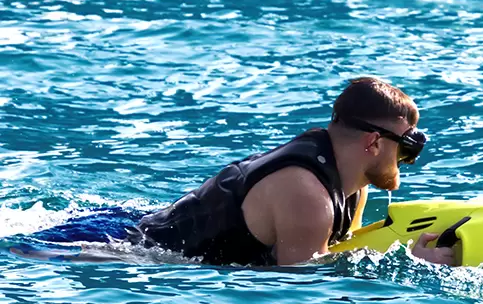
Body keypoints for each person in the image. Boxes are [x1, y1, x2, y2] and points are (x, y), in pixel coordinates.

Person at [124, 77, 455, 267]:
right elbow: (296, 284)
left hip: (152, 227)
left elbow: (334, 250)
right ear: (373, 143)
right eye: (407, 147)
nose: (405, 160)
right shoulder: (308, 195)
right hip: (127, 253)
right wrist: (406, 261)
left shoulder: (351, 184)